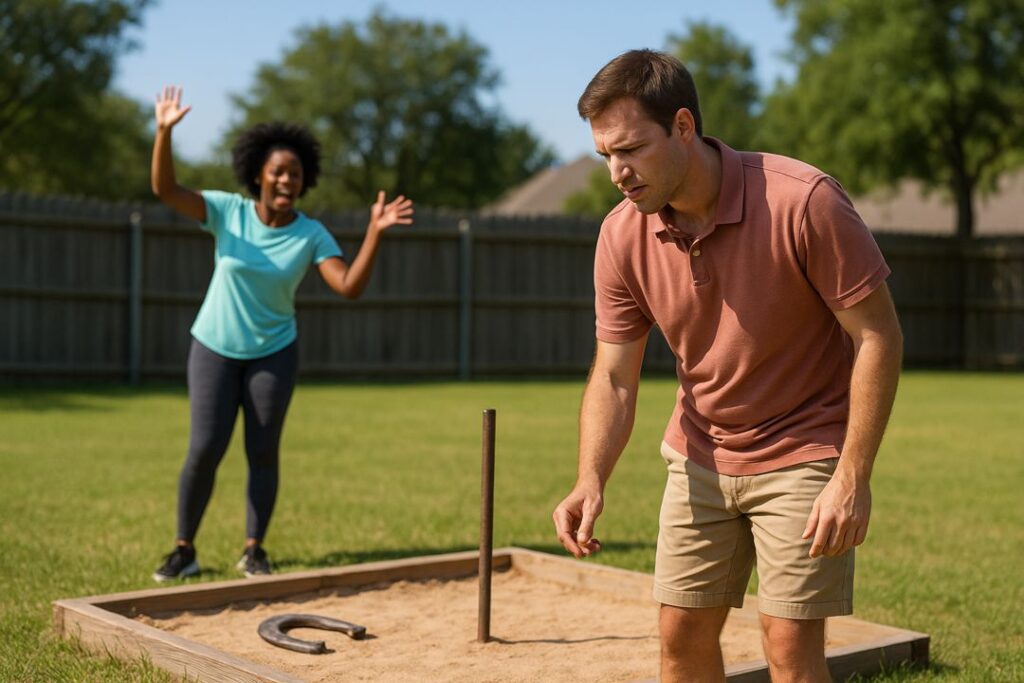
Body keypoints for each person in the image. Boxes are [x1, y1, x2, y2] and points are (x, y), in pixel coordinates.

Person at [552, 51, 903, 682]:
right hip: (699, 456)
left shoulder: (804, 202)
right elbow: (613, 375)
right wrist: (589, 478)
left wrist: (851, 477)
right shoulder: (620, 235)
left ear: (683, 126)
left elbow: (878, 335)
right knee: (680, 640)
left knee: (790, 647)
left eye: (629, 149)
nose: (616, 172)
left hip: (804, 451)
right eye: (605, 154)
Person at [150, 86, 413, 582]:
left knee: (263, 450)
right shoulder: (228, 212)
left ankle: (254, 549)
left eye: (294, 173)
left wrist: (374, 232)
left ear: (303, 180)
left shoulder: (311, 234)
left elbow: (348, 286)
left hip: (273, 353)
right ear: (258, 175)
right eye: (278, 171)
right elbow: (166, 190)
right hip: (213, 347)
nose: (286, 179)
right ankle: (184, 550)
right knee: (205, 447)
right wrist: (163, 133)